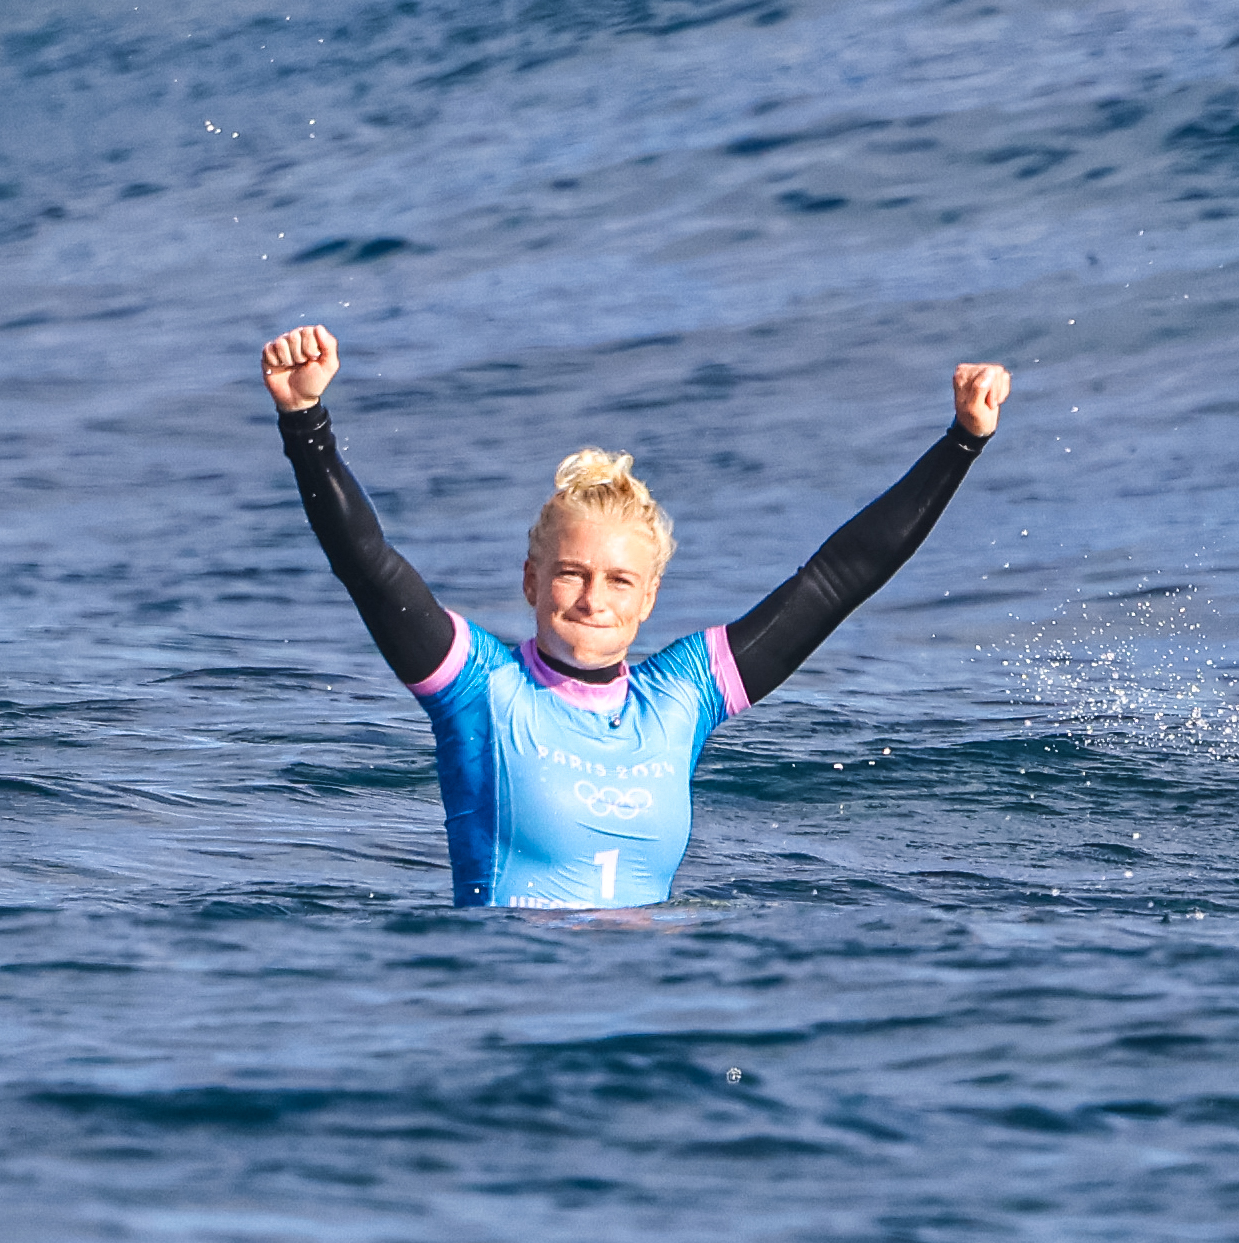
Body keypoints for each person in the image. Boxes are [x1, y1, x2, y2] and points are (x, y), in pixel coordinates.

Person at [262, 324, 1011, 908]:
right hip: (503, 996)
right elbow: (368, 563)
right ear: (531, 580)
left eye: (620, 580)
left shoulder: (681, 696)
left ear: (649, 596)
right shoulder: (479, 689)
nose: (593, 598)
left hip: (653, 1012)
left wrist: (962, 441)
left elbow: (837, 579)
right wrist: (306, 422)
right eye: (571, 574)